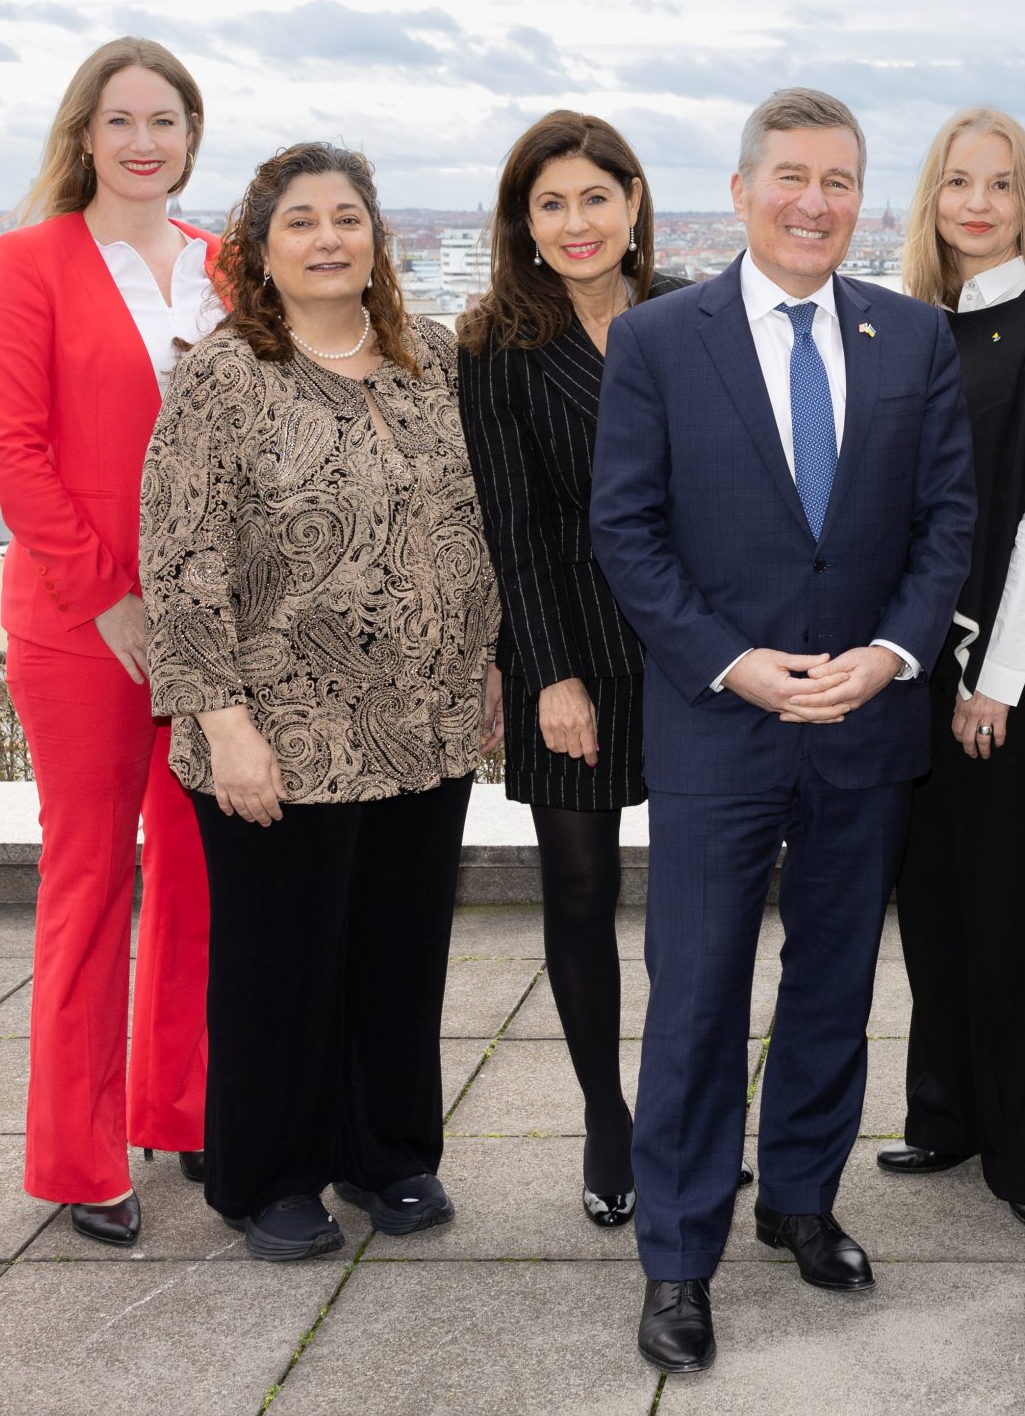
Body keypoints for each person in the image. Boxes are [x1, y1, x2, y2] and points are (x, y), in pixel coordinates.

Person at [591, 89, 975, 1374]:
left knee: (832, 982)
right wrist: (734, 665)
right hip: (720, 726)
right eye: (794, 178)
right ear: (745, 189)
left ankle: (802, 1200)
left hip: (866, 723)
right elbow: (625, 534)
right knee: (696, 993)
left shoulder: (914, 337)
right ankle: (680, 1256)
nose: (817, 203)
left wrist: (885, 658)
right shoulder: (656, 341)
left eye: (842, 182)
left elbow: (946, 526)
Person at [140, 142, 503, 1262]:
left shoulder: (428, 360)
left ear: (377, 240)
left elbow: (471, 523)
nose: (330, 238)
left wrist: (487, 662)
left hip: (424, 719)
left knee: (399, 952)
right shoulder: (224, 374)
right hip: (279, 731)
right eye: (302, 221)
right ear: (258, 249)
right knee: (280, 963)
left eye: (348, 217)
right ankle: (272, 1176)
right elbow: (178, 554)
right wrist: (223, 721)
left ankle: (388, 1154)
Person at [0, 38, 222, 1247]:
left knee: (198, 872)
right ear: (84, 134)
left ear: (191, 135)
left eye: (164, 119)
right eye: (120, 119)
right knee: (89, 880)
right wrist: (107, 600)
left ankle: (180, 1104)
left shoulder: (230, 266)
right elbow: (13, 452)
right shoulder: (30, 262)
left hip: (215, 633)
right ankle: (79, 1155)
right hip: (83, 631)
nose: (143, 140)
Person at [875, 108, 1025, 1230]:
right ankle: (946, 1115)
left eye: (1000, 185)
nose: (976, 203)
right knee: (936, 904)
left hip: (1024, 677)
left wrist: (996, 681)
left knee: (1018, 917)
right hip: (927, 670)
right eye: (957, 182)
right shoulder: (921, 324)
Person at [457, 111, 690, 1231]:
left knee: (701, 905)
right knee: (582, 895)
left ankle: (682, 1120)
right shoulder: (496, 342)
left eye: (595, 197)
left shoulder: (699, 314)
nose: (576, 222)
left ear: (634, 203)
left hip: (698, 650)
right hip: (574, 652)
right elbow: (511, 525)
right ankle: (607, 1115)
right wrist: (546, 677)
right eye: (550, 203)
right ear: (523, 224)